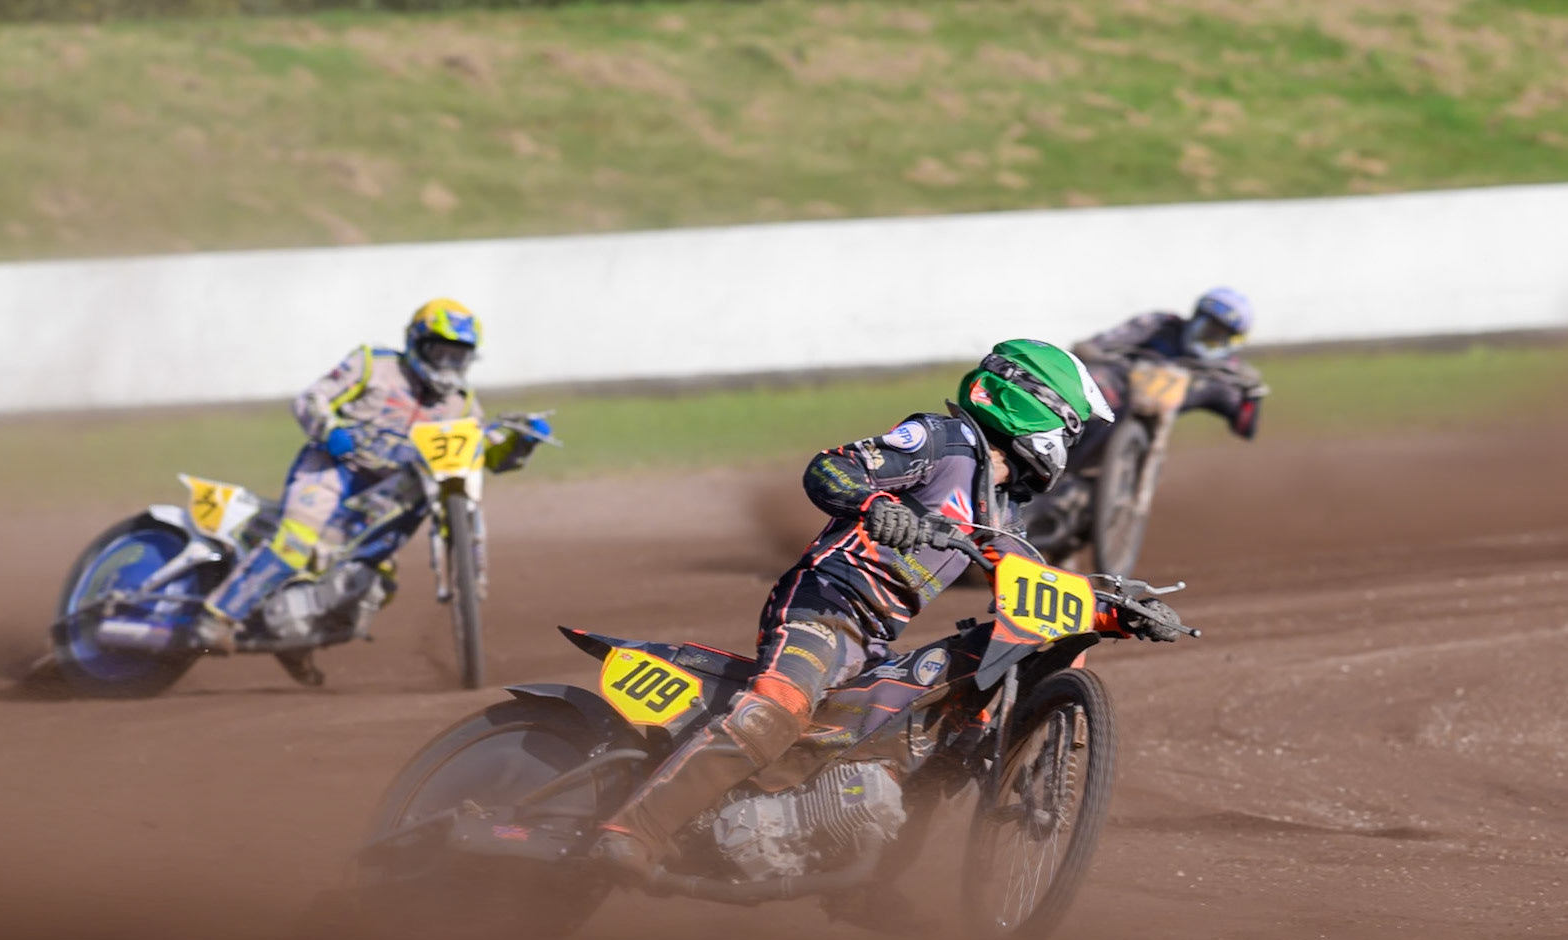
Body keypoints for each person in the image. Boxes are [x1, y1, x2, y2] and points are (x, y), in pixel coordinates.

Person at [590, 339, 1182, 886]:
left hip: (872, 638)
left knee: (933, 741)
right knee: (779, 707)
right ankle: (634, 829)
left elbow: (1034, 583)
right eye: (1070, 427)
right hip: (824, 606)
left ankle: (864, 886)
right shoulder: (941, 440)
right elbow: (830, 467)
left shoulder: (1000, 508)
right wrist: (877, 505)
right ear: (1034, 407)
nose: (1069, 443)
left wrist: (1115, 612)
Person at [195, 298, 547, 683]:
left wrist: (520, 443)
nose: (447, 364)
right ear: (417, 343)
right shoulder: (372, 364)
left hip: (388, 493)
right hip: (333, 468)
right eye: (440, 352)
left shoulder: (460, 403)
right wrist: (329, 430)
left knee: (373, 583)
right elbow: (311, 399)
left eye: (457, 356)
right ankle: (218, 616)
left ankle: (295, 640)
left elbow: (482, 456)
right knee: (295, 542)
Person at [1066, 286, 1268, 470]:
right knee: (1089, 386)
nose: (1211, 338)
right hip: (1121, 382)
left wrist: (1253, 395)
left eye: (1219, 336)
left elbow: (1245, 426)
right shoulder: (1160, 324)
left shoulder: (1225, 371)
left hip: (1155, 427)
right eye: (1209, 329)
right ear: (1196, 317)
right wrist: (1090, 350)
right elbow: (1100, 343)